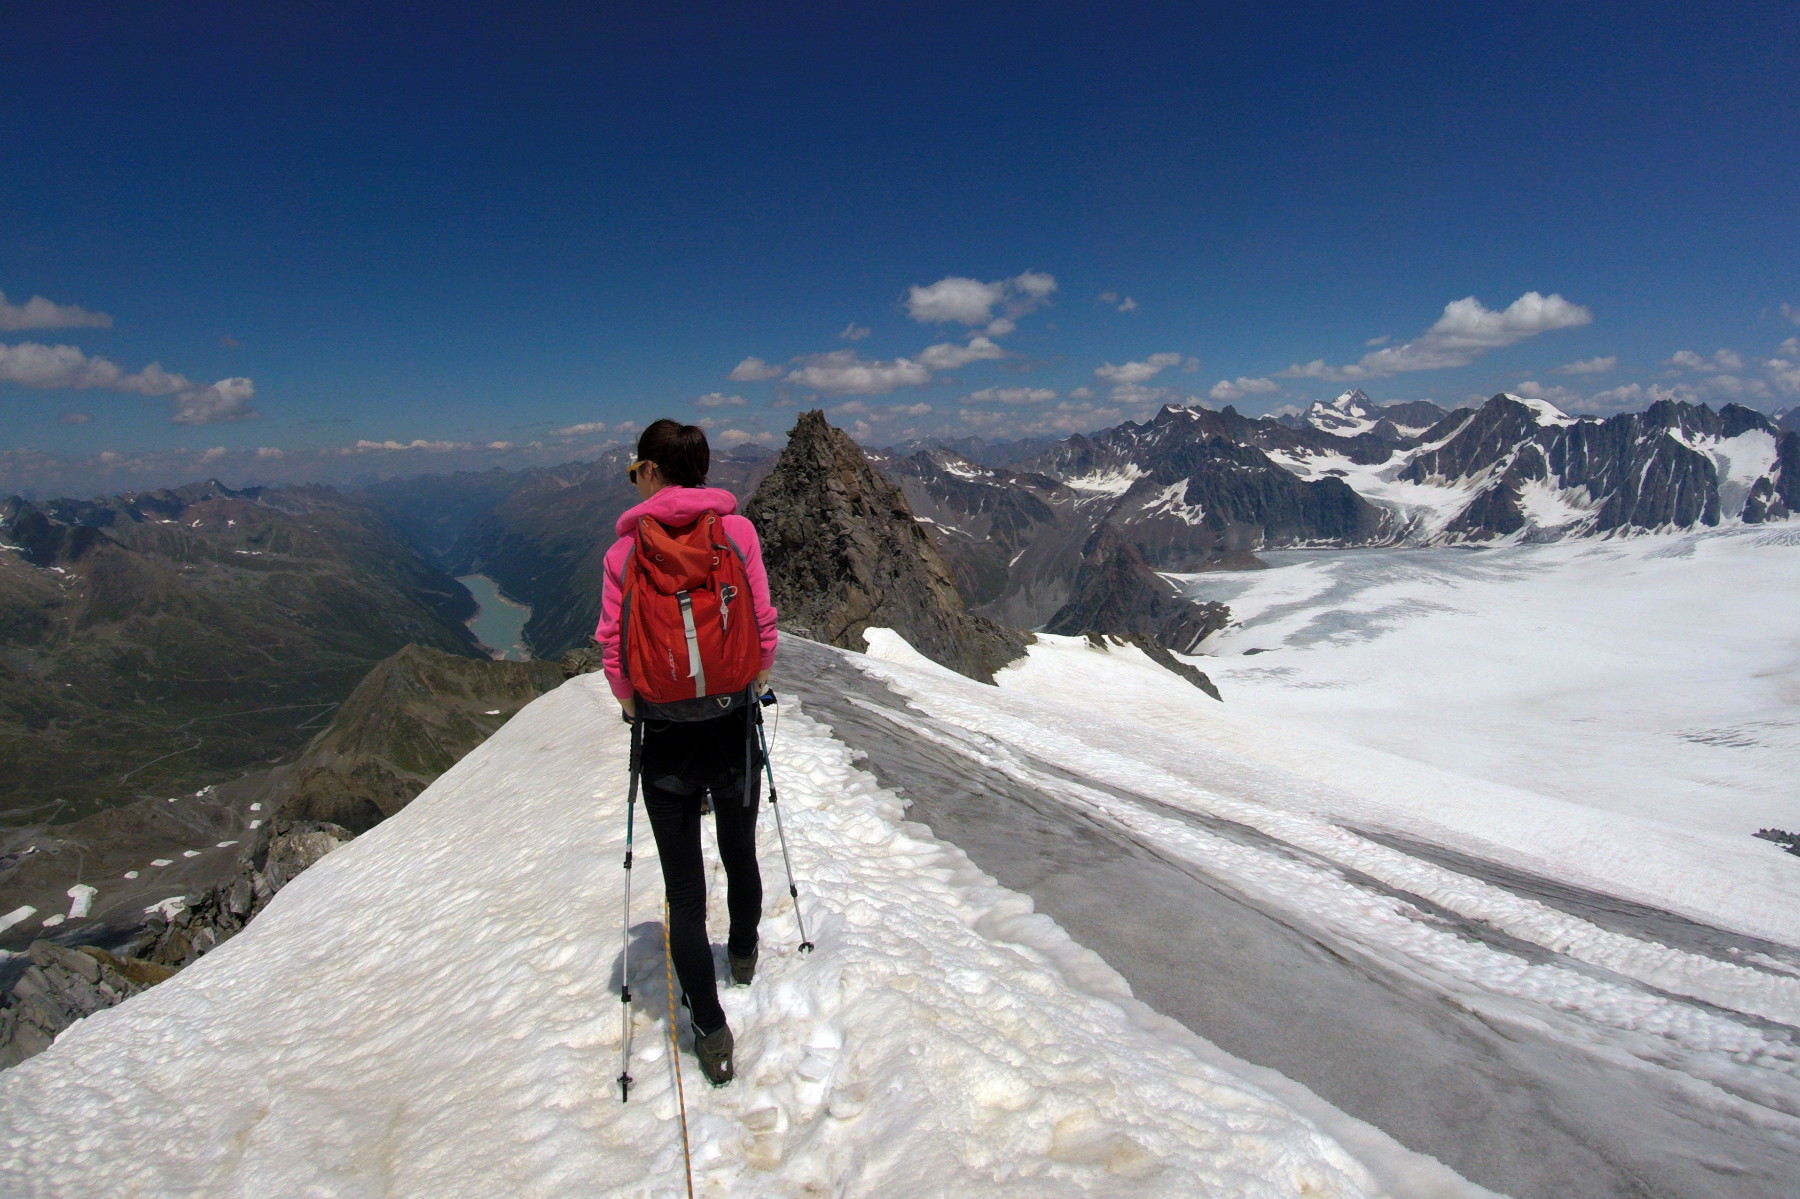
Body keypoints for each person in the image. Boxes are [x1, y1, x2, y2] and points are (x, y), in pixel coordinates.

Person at [594, 419, 779, 1087]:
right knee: (739, 846)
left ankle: (709, 1026)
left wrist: (633, 702)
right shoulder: (739, 533)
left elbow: (612, 647)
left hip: (666, 735)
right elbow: (762, 621)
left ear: (650, 472)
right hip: (731, 722)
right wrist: (754, 677)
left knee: (683, 890)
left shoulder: (624, 553)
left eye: (635, 469)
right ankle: (747, 951)